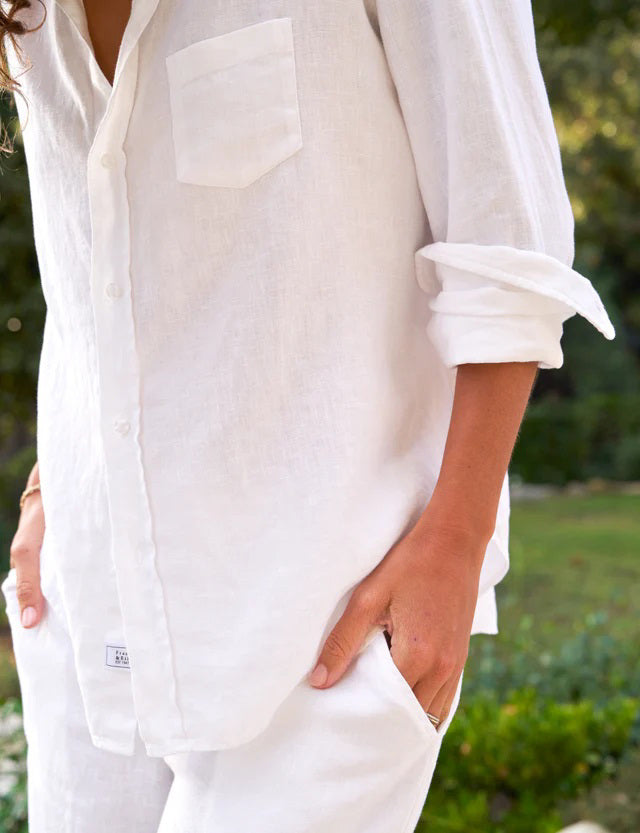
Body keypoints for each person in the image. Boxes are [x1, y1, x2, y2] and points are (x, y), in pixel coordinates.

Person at [0, 1, 615, 831]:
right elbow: (98, 255)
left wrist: (456, 544)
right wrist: (54, 483)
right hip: (94, 607)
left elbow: (505, 237)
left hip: (326, 619)